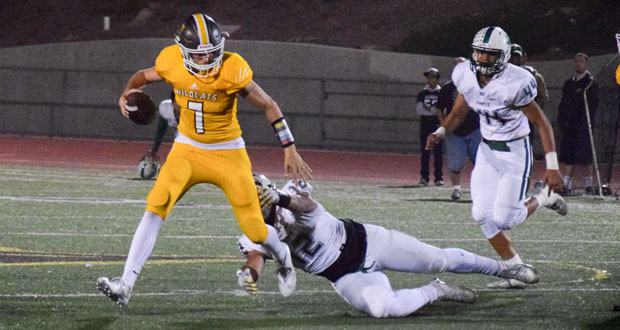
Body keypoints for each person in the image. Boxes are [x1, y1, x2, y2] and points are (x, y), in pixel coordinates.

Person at [96, 13, 312, 306]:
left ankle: (283, 255)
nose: (207, 58)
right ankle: (126, 284)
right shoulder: (171, 61)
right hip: (187, 149)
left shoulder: (232, 69)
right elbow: (142, 77)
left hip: (227, 152)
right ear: (184, 52)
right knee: (155, 207)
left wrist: (290, 147)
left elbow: (269, 105)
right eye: (199, 54)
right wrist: (128, 92)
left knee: (255, 229)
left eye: (212, 51)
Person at [235, 175, 540, 318]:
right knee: (383, 310)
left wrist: (281, 199)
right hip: (344, 276)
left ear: (267, 189)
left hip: (367, 241)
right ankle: (437, 291)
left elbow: (308, 203)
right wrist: (250, 275)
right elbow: (255, 256)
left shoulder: (289, 195)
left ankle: (505, 269)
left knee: (436, 258)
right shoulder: (253, 231)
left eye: (259, 194)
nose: (256, 203)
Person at [426, 26, 567, 289]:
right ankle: (516, 269)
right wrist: (442, 130)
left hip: (515, 152)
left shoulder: (516, 82)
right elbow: (458, 112)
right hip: (488, 151)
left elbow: (543, 123)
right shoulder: (465, 74)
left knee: (504, 219)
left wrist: (552, 166)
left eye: (488, 55)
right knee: (481, 214)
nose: (481, 60)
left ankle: (544, 197)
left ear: (501, 57)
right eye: (478, 54)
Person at [437, 57, 481, 200]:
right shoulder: (447, 88)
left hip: (475, 129)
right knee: (455, 163)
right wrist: (444, 126)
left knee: (481, 162)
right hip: (454, 131)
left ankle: (480, 190)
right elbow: (439, 108)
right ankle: (456, 189)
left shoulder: (477, 85)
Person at [557, 53, 600, 195]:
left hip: (584, 126)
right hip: (570, 125)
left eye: (581, 61)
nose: (578, 64)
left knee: (586, 155)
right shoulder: (569, 83)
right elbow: (563, 104)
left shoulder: (591, 83)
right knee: (569, 154)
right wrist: (562, 119)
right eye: (576, 61)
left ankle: (589, 184)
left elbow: (593, 105)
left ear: (586, 63)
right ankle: (566, 184)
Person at [509, 44, 550, 161]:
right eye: (511, 57)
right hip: (505, 119)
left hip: (525, 120)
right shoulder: (499, 75)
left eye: (517, 57)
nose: (514, 60)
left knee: (524, 151)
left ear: (523, 58)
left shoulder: (533, 76)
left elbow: (543, 97)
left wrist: (532, 112)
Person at [137, 92, 180, 180]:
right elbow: (161, 130)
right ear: (172, 102)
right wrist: (154, 150)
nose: (182, 106)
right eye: (179, 102)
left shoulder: (192, 109)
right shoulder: (166, 108)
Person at [417, 67, 443, 186]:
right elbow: (419, 110)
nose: (429, 79)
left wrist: (430, 109)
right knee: (425, 152)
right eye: (428, 77)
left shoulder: (442, 93)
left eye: (432, 77)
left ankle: (438, 178)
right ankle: (424, 177)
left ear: (437, 79)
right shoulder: (422, 94)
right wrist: (434, 110)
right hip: (425, 126)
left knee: (438, 153)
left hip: (437, 126)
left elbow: (443, 110)